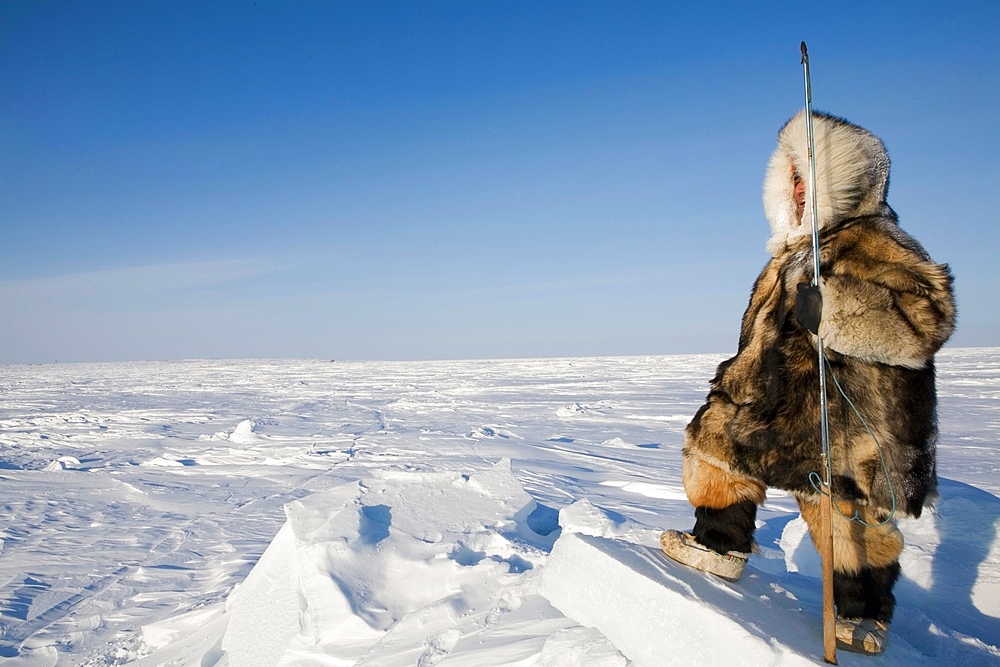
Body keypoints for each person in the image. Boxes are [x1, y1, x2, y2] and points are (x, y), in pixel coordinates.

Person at [660, 111, 956, 655]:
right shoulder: (786, 257)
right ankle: (721, 545)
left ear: (845, 179)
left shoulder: (876, 241)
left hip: (851, 413)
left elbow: (925, 320)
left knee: (843, 514)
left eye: (809, 176)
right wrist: (735, 384)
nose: (798, 188)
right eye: (791, 176)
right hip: (773, 401)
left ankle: (864, 611)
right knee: (716, 443)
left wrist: (839, 310)